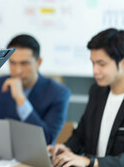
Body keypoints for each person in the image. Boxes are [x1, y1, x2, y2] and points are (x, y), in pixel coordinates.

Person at [49, 28, 124, 167]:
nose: (95, 70)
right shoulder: (97, 91)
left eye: (102, 64)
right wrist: (67, 148)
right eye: (93, 63)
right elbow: (82, 133)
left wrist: (89, 162)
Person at [0, 34, 70, 145]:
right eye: (12, 63)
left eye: (24, 63)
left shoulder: (58, 93)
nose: (18, 71)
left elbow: (47, 138)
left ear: (38, 62)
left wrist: (20, 99)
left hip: (35, 159)